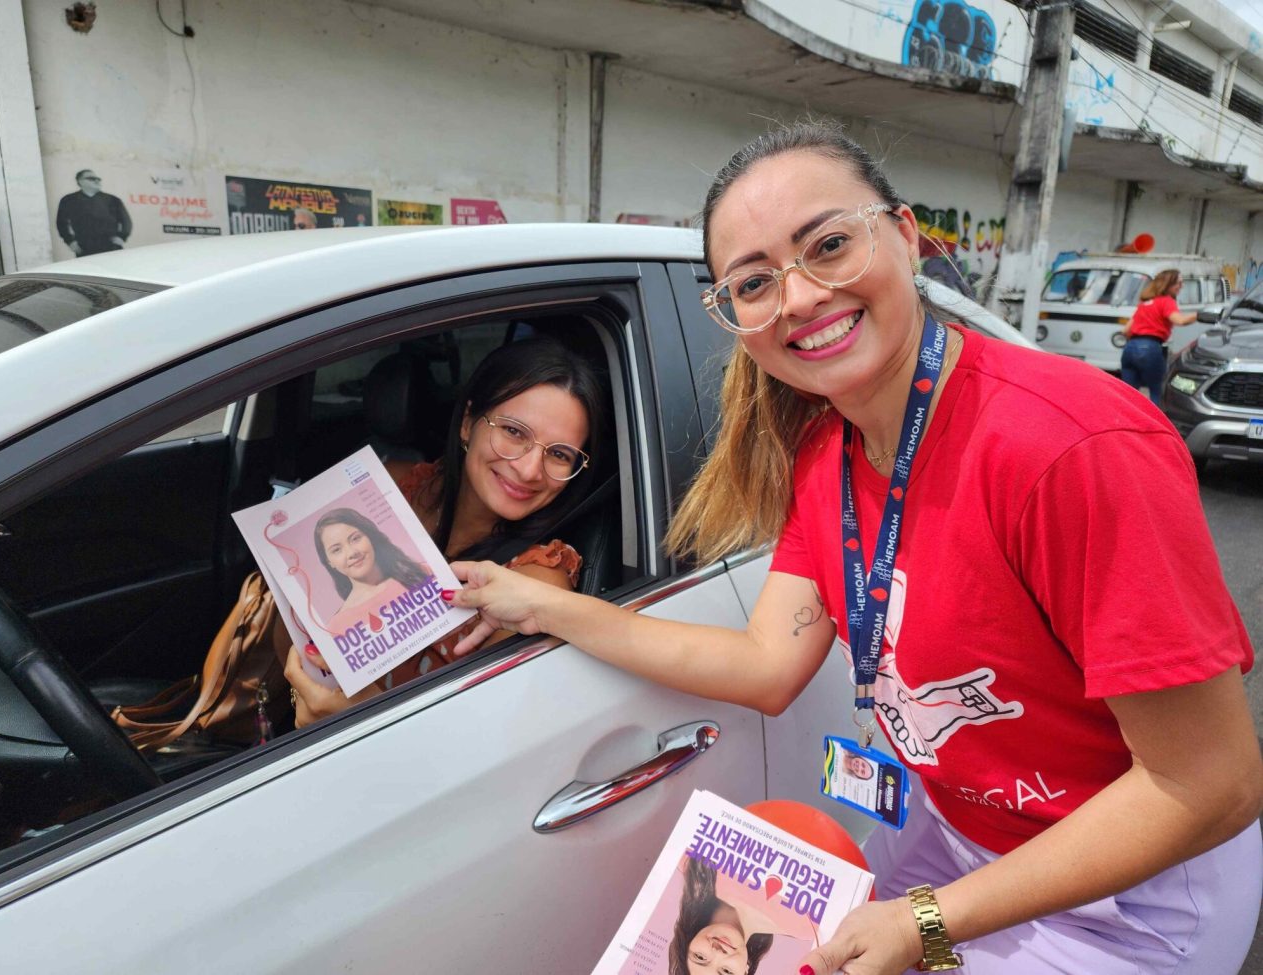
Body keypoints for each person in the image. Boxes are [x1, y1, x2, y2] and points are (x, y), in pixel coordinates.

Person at [447, 121, 1263, 974]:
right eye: (754, 282)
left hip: (1128, 899)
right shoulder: (825, 458)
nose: (797, 298)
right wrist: (544, 603)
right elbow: (766, 664)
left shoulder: (1068, 446)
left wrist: (926, 921)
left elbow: (1207, 783)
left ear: (905, 237)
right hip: (954, 840)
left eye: (828, 244)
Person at [284, 335, 604, 726]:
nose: (529, 470)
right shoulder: (385, 493)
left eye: (559, 454)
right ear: (468, 424)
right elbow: (287, 637)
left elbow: (484, 737)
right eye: (515, 432)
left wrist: (359, 721)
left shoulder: (537, 584)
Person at [312, 508, 430, 634]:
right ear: (329, 562)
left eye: (355, 538)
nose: (352, 553)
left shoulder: (420, 572)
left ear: (370, 537)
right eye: (336, 550)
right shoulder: (335, 627)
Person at [667, 857, 774, 975]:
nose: (718, 953)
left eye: (700, 957)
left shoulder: (690, 860)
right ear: (745, 970)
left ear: (688, 942)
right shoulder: (796, 925)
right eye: (726, 971)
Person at [1120, 268, 1198, 408]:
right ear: (1167, 284)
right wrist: (1199, 315)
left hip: (1130, 349)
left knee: (1128, 395)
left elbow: (1126, 330)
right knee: (1158, 393)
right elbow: (1179, 321)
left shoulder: (1145, 304)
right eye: (1178, 283)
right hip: (1150, 347)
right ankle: (1155, 426)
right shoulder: (1166, 301)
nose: (1181, 286)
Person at [55, 169, 132, 256]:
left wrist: (122, 237)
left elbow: (126, 221)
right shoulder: (68, 200)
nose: (96, 181)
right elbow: (61, 223)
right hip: (84, 248)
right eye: (91, 178)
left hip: (111, 247)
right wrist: (70, 241)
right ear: (80, 181)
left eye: (98, 179)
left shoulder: (112, 199)